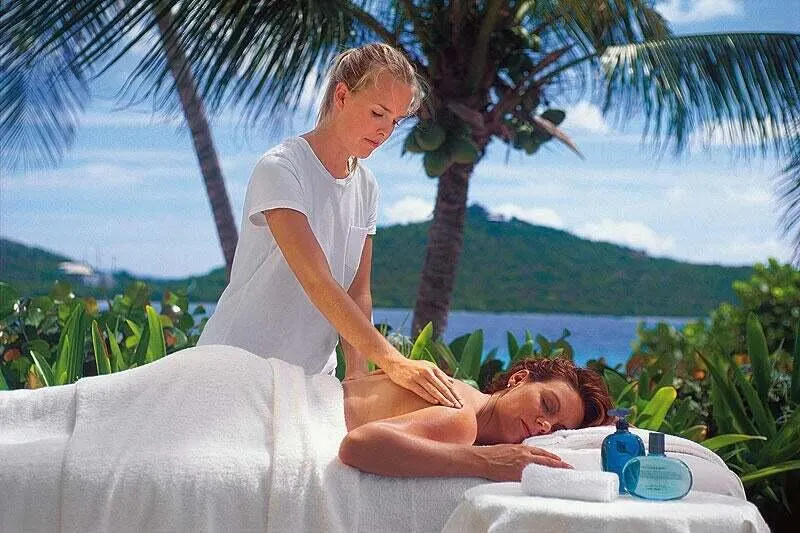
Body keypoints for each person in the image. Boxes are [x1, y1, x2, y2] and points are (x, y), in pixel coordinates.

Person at [197, 43, 462, 408]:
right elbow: (316, 279)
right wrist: (394, 361)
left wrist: (357, 373)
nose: (385, 131)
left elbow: (357, 291)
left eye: (395, 121)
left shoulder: (366, 186)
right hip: (237, 367)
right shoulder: (281, 168)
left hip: (308, 383)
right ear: (342, 96)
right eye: (377, 113)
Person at [338, 357, 613, 481]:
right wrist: (488, 461)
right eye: (547, 404)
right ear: (518, 379)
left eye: (557, 429)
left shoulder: (463, 396)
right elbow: (358, 445)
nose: (545, 425)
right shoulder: (462, 419)